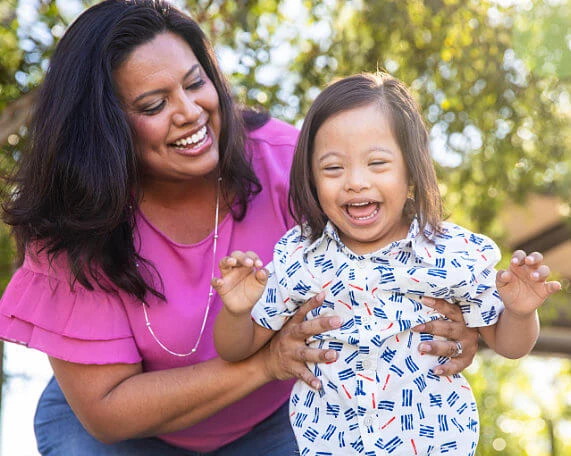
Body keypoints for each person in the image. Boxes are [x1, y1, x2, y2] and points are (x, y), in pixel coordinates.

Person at [0, 1, 481, 454]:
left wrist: (460, 324)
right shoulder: (70, 227)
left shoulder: (288, 165)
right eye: (153, 106)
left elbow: (396, 249)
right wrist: (265, 363)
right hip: (122, 437)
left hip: (275, 421)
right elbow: (108, 412)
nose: (189, 111)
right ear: (103, 128)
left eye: (195, 83)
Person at [212, 72, 562, 455]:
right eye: (333, 168)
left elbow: (509, 345)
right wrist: (236, 311)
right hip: (329, 445)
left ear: (411, 170)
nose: (355, 182)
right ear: (311, 179)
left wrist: (521, 312)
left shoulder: (451, 252)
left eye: (377, 163)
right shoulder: (300, 256)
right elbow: (236, 349)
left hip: (433, 444)